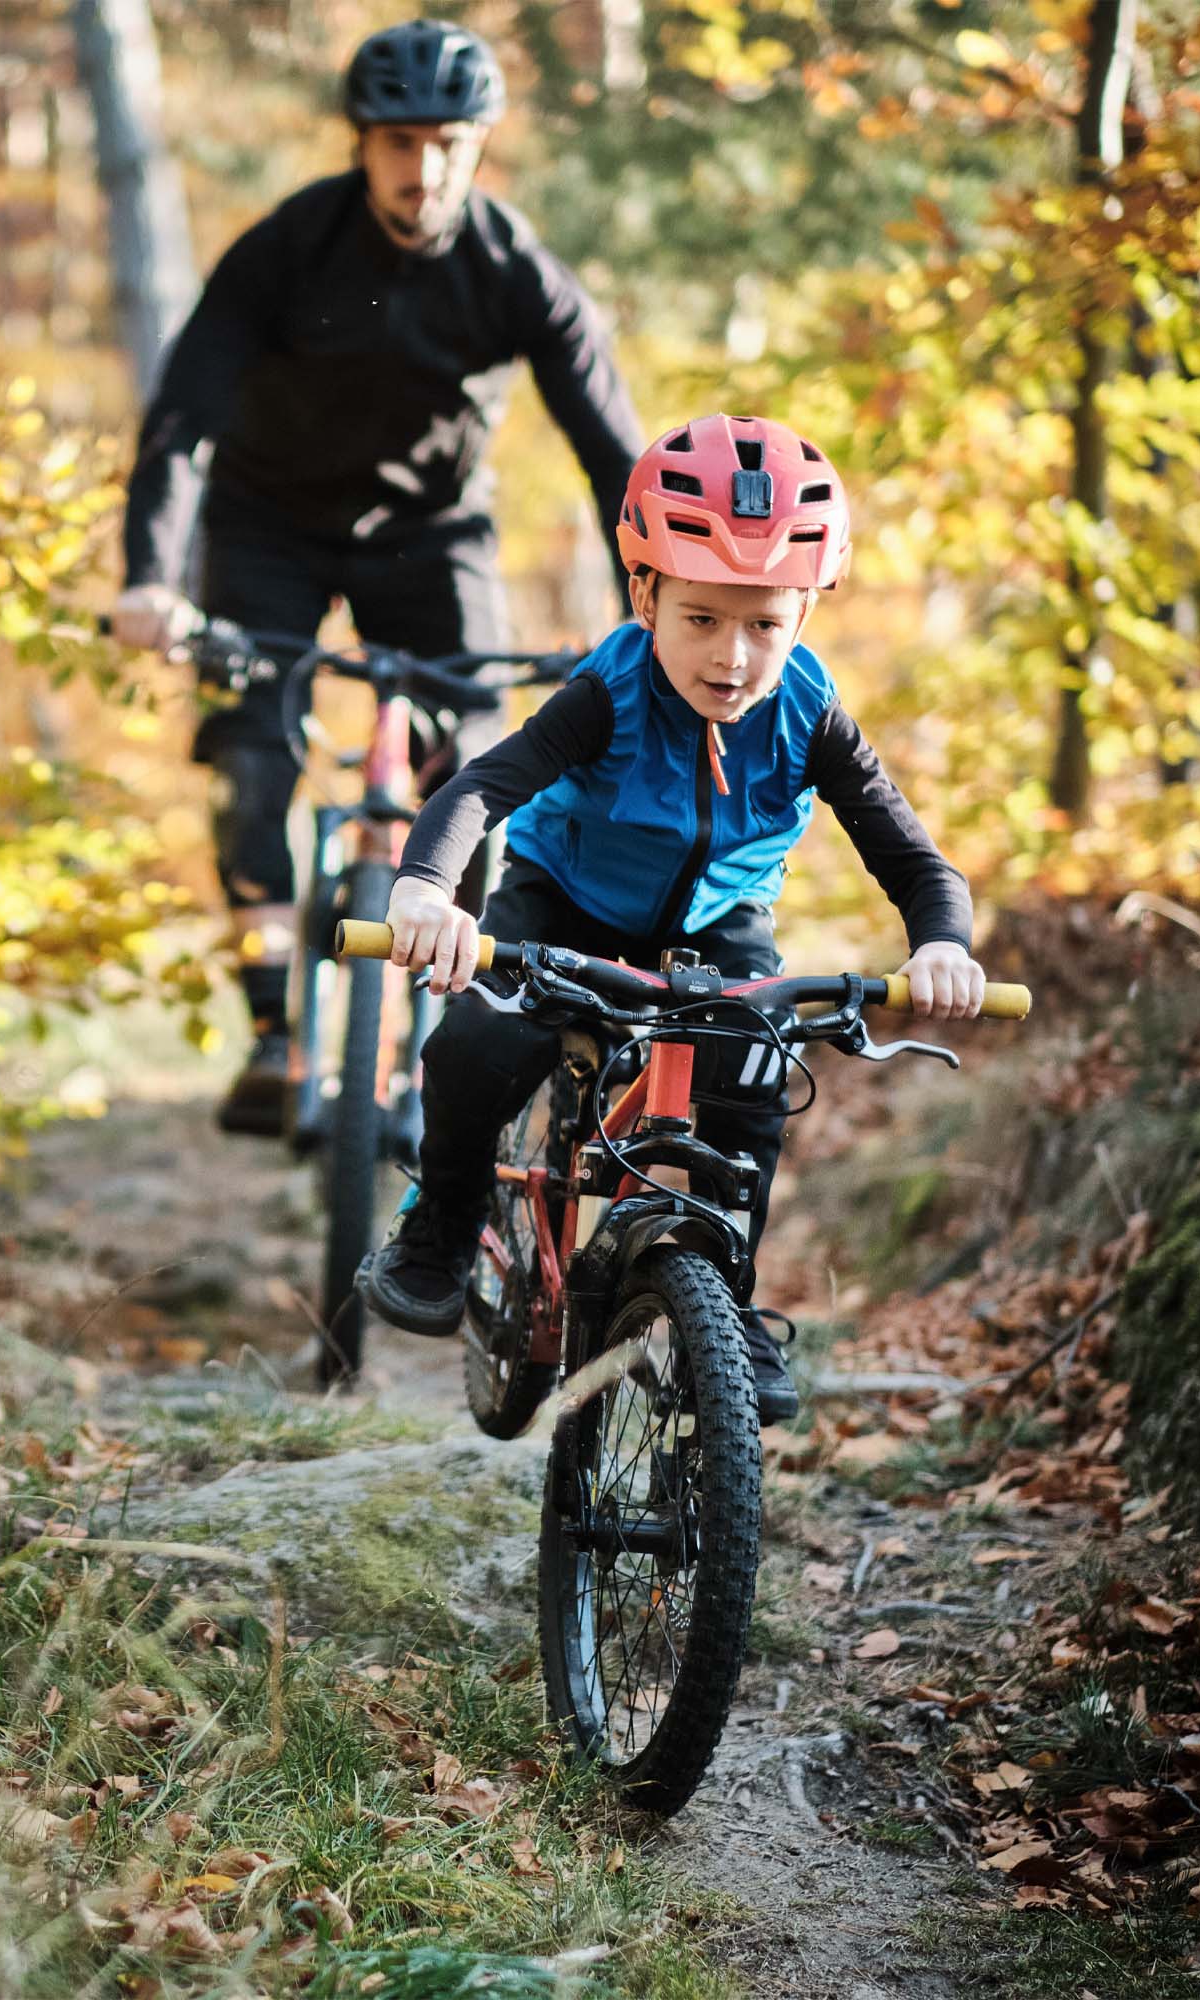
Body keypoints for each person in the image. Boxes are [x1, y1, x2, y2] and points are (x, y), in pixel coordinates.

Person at [352, 412, 990, 1423]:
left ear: (804, 615)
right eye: (701, 618)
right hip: (564, 902)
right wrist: (428, 887)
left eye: (764, 624)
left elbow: (911, 855)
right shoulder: (608, 690)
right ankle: (441, 1220)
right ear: (646, 593)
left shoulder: (809, 712)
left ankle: (723, 1302)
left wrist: (944, 941)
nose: (733, 656)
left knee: (753, 1075)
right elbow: (482, 788)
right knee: (477, 1039)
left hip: (716, 922)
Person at [107, 18, 644, 1137]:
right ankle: (272, 1028)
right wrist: (151, 577)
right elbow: (184, 420)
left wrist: (648, 603)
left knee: (485, 760)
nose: (424, 168)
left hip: (431, 533)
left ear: (480, 147)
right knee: (254, 756)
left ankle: (448, 1032)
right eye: (400, 143)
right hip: (269, 525)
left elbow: (611, 454)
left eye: (448, 143)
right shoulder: (288, 247)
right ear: (364, 146)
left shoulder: (513, 269)